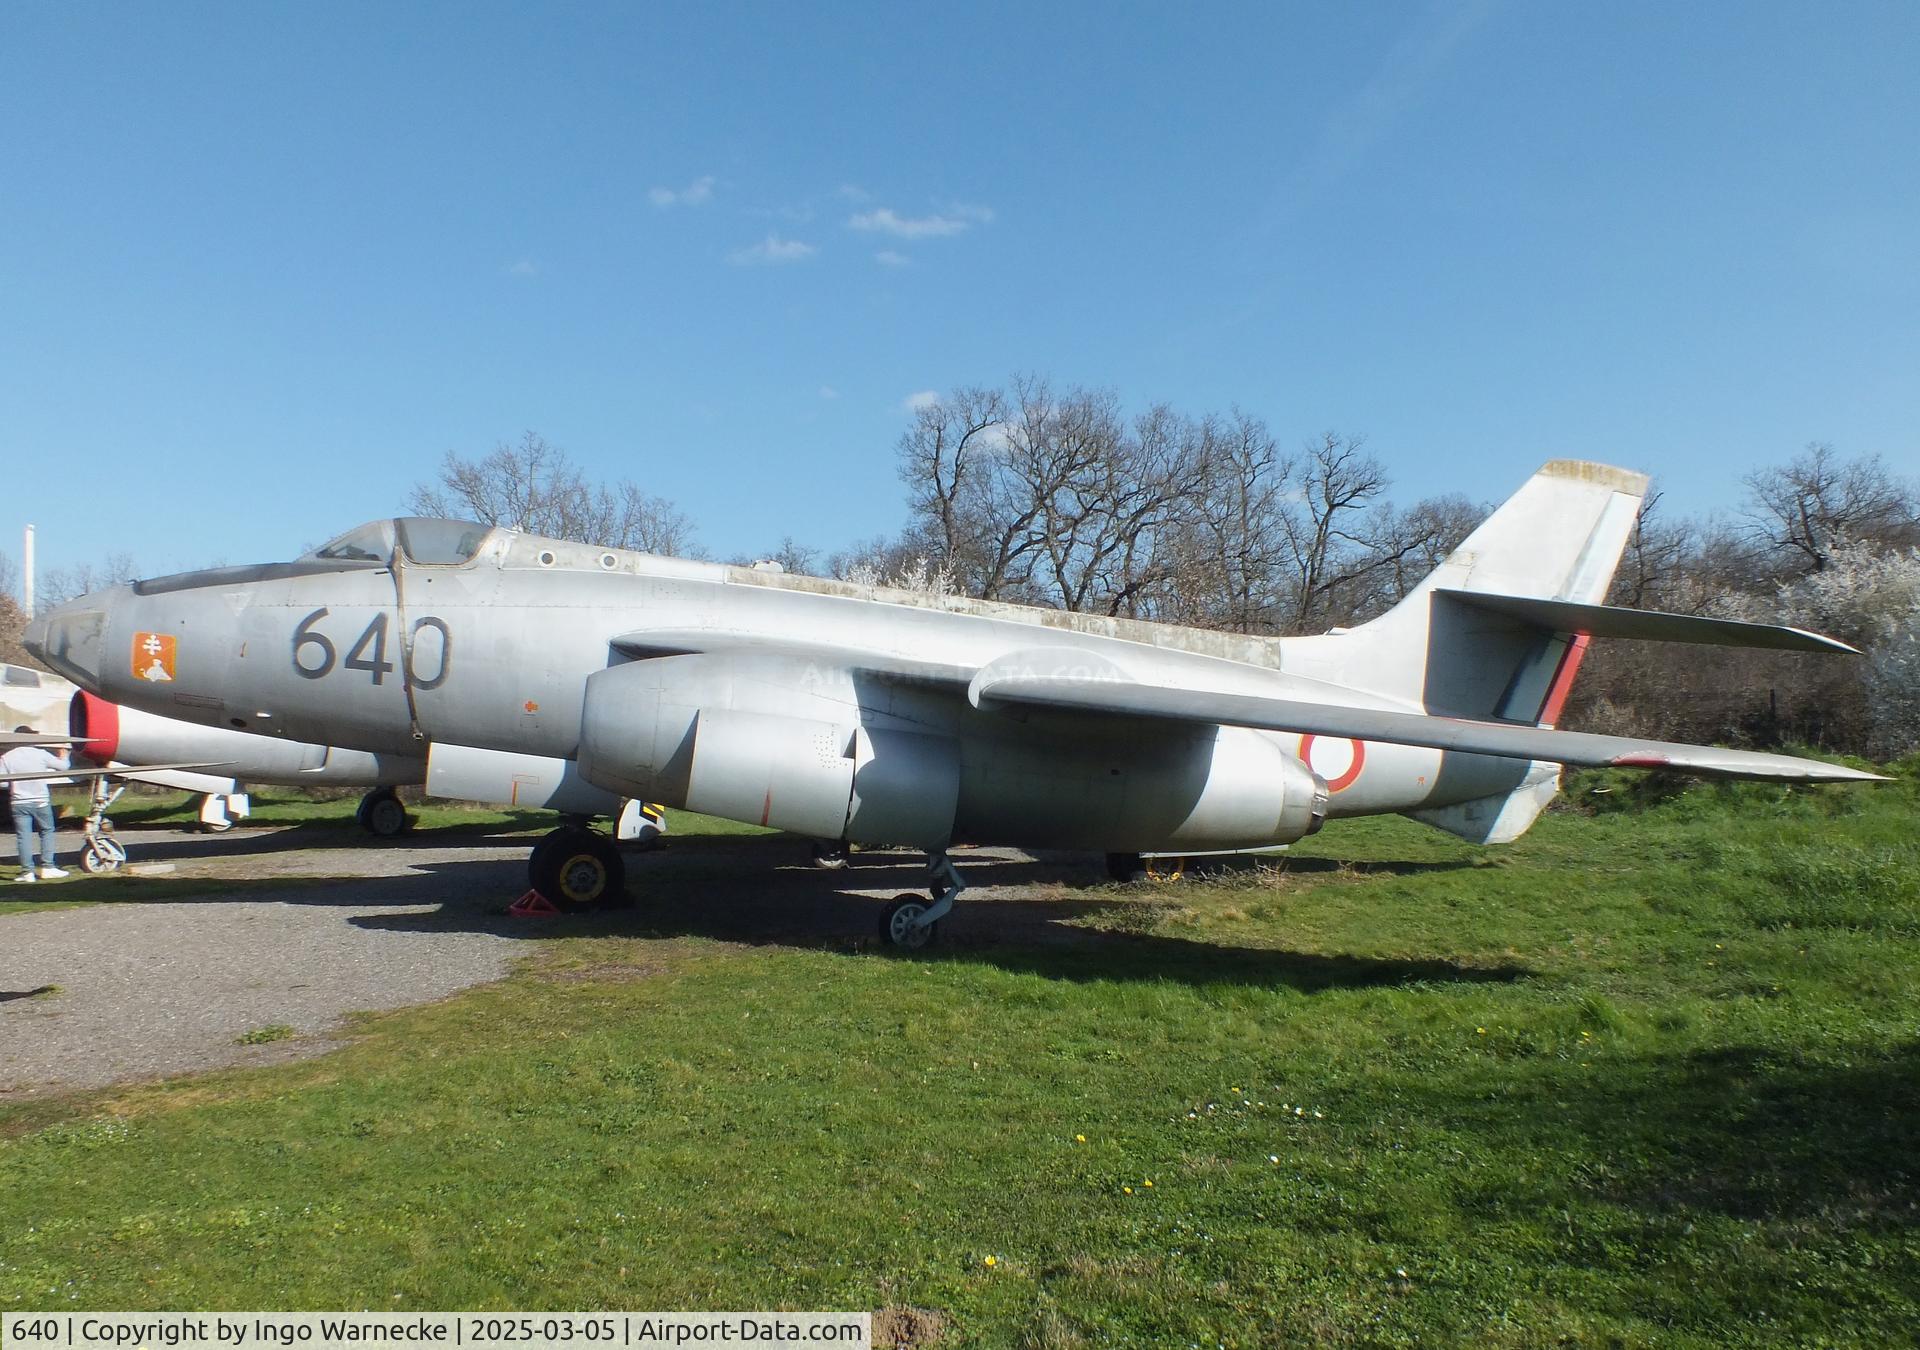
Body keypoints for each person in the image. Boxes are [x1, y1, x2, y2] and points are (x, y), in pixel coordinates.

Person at [1, 727, 70, 882]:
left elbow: (3, 783)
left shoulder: (8, 757)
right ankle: (48, 867)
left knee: (23, 836)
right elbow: (63, 767)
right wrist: (64, 755)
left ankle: (27, 872)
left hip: (18, 802)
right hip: (40, 800)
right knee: (47, 831)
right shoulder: (40, 754)